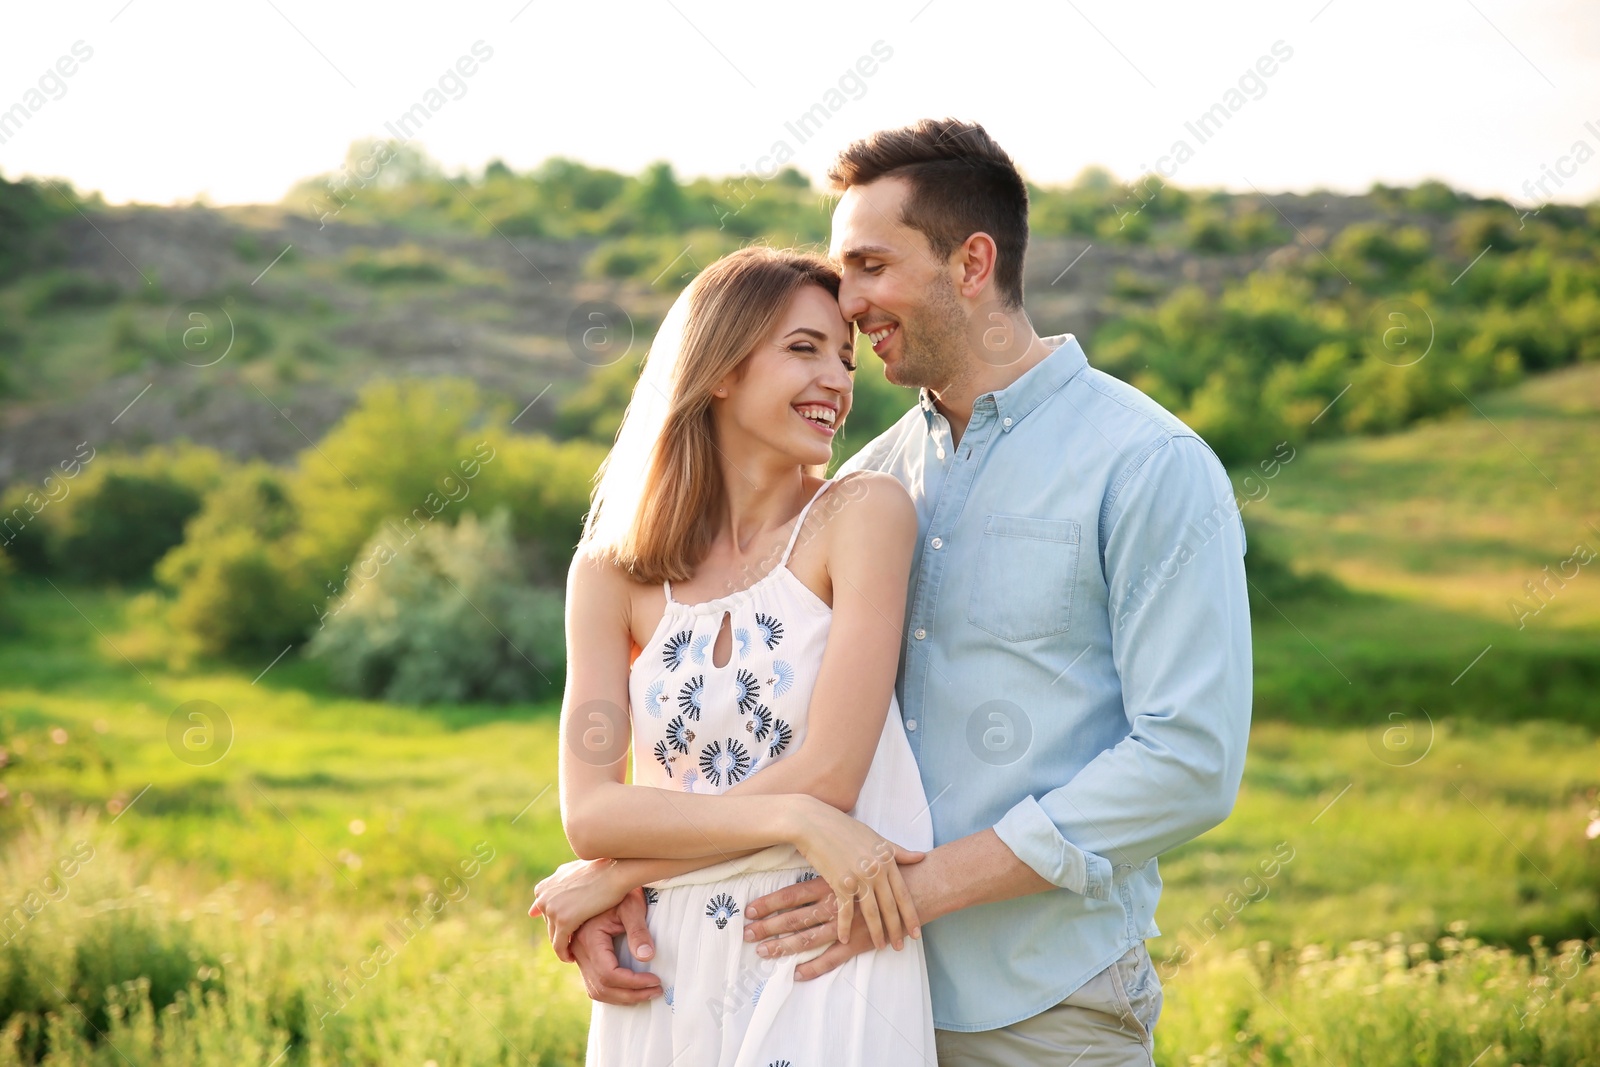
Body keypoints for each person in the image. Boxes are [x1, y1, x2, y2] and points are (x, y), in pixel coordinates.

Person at [557, 119, 1254, 1067]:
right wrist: (623, 879)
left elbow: (1188, 759)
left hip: (1040, 999)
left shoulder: (1146, 464)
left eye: (871, 266)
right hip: (836, 991)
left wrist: (920, 889)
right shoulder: (865, 489)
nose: (853, 301)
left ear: (972, 262)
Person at [533, 245, 939, 1065]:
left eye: (845, 357)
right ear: (719, 368)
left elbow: (832, 776)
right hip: (664, 959)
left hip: (822, 934)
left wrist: (619, 875)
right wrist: (789, 814)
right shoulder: (609, 571)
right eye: (805, 348)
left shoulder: (861, 515)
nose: (838, 378)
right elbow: (591, 813)